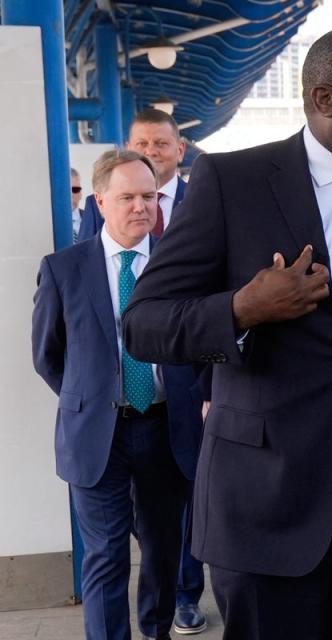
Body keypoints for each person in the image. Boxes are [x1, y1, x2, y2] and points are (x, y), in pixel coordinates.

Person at [122, 28, 332, 640]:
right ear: (324, 99)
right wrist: (242, 307)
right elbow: (143, 323)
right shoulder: (234, 183)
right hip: (267, 512)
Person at [31, 150, 204, 640]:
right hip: (97, 434)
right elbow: (49, 355)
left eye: (148, 197)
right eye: (127, 197)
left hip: (166, 427)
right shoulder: (64, 268)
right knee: (106, 552)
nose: (140, 207)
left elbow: (196, 344)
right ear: (100, 201)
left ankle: (156, 630)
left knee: (163, 546)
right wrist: (90, 397)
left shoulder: (179, 269)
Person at [78, 109, 188, 243]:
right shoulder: (101, 203)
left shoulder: (200, 201)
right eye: (142, 144)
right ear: (129, 150)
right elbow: (86, 256)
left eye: (161, 144)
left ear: (180, 150)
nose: (151, 151)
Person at [71, 167, 83, 243]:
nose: (71, 194)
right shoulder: (50, 221)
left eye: (75, 190)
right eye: (66, 190)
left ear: (81, 194)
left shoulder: (94, 219)